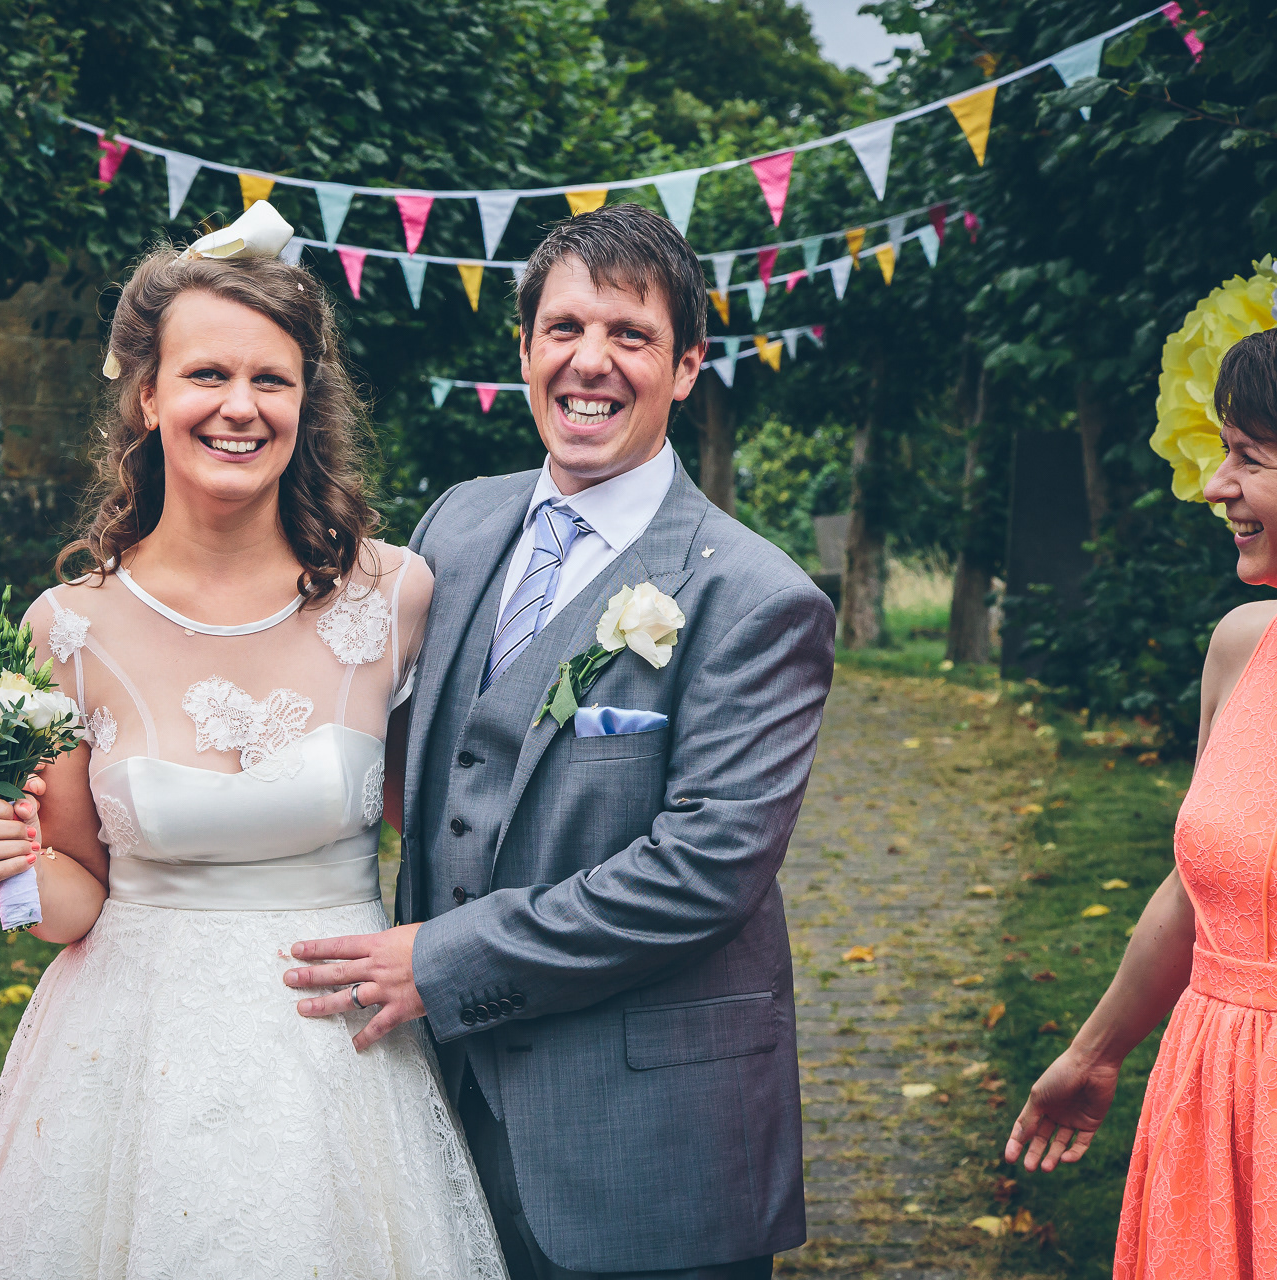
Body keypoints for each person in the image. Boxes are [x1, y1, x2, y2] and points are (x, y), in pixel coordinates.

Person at [285, 203, 836, 1278]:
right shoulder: (459, 523)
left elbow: (702, 872)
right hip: (433, 1107)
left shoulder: (758, 595)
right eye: (566, 328)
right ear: (524, 349)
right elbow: (367, 744)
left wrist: (442, 961)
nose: (592, 362)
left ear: (685, 366)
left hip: (645, 1138)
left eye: (631, 335)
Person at [0, 232, 506, 1278]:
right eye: (206, 373)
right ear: (149, 398)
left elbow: (453, 822)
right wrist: (10, 871)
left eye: (270, 379)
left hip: (337, 1053)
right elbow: (70, 900)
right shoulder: (67, 628)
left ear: (307, 402)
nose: (238, 406)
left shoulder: (398, 598)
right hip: (130, 1060)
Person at [1005, 313, 1277, 1277]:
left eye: (1250, 457)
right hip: (1206, 1092)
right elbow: (1197, 887)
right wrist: (1096, 1051)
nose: (1218, 486)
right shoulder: (1241, 646)